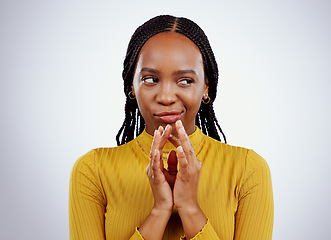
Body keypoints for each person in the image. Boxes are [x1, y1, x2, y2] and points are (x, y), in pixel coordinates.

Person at [69, 15, 274, 240]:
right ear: (132, 86)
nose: (166, 97)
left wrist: (189, 207)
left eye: (185, 80)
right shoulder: (92, 171)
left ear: (206, 86)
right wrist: (160, 210)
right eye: (150, 79)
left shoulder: (247, 170)